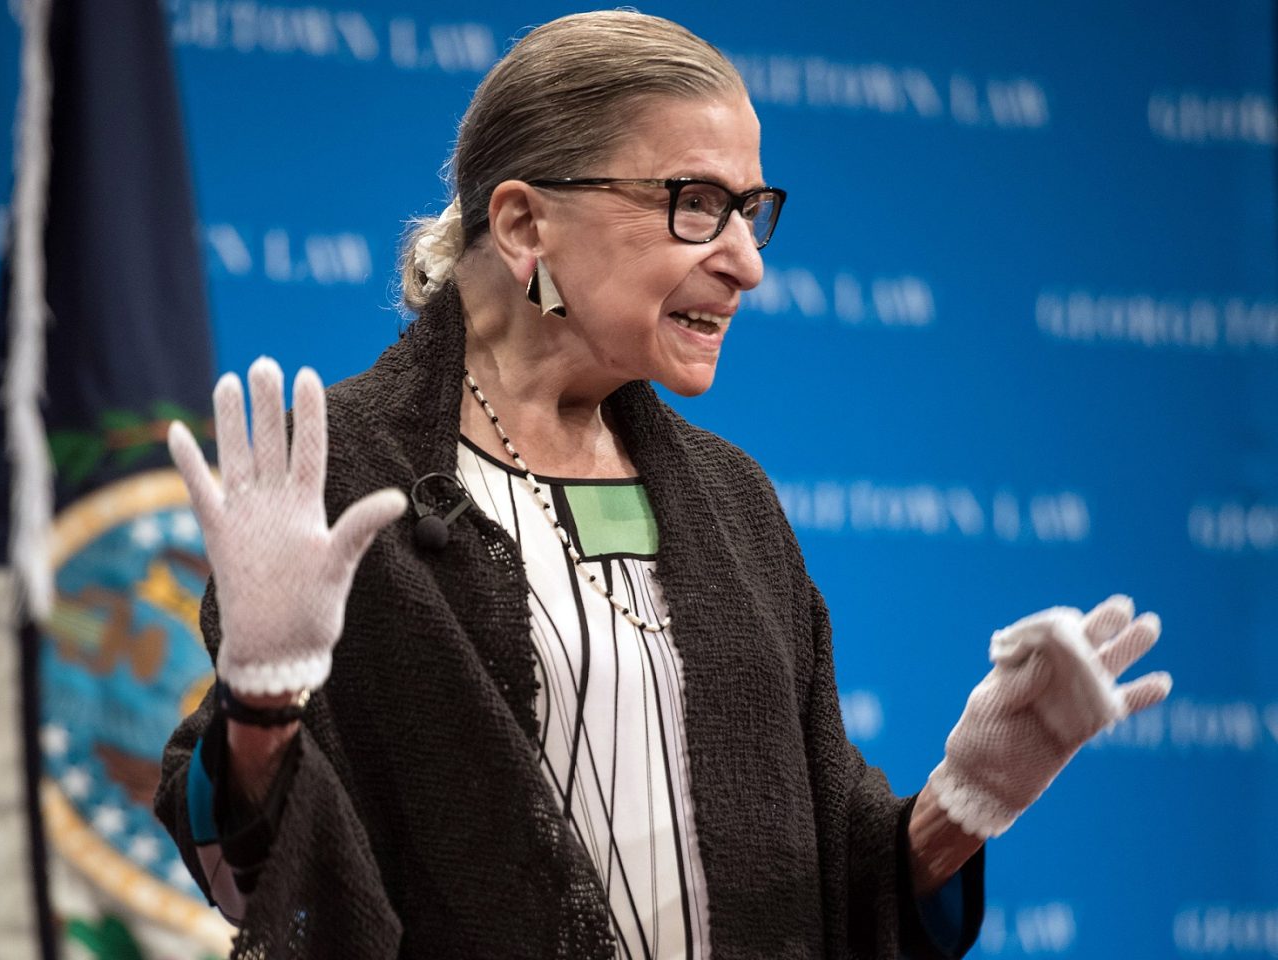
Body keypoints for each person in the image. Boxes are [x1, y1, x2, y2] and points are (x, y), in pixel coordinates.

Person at [155, 12, 1172, 959]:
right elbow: (264, 879)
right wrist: (261, 704)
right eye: (695, 205)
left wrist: (970, 799)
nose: (747, 264)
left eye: (751, 212)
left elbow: (836, 886)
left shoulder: (732, 505)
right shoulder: (343, 480)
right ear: (522, 226)